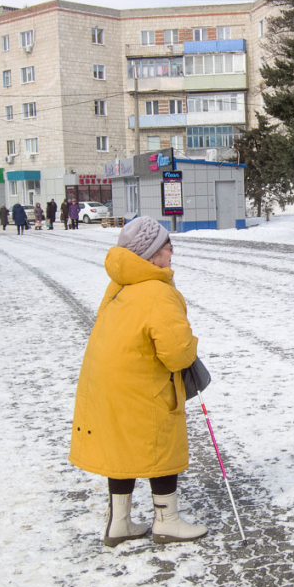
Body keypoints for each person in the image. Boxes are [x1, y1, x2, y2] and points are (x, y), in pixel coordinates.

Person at [69, 216, 208, 546]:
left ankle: (119, 523)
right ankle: (167, 521)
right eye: (167, 245)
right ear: (152, 253)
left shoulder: (119, 284)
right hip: (141, 385)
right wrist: (191, 346)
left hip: (107, 384)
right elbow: (176, 354)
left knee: (122, 446)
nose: (172, 251)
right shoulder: (158, 292)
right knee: (158, 442)